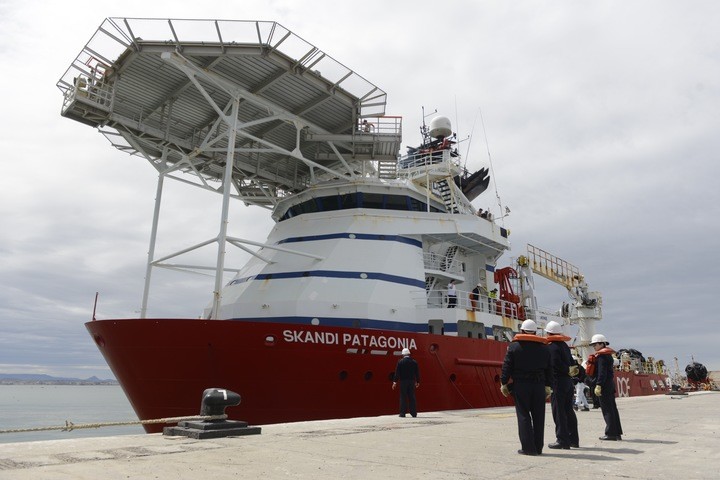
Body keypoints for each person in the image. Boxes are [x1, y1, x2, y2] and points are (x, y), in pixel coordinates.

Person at [500, 319, 553, 456]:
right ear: (535, 332)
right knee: (539, 416)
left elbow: (507, 366)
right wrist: (548, 386)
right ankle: (538, 447)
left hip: (521, 385)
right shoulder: (545, 348)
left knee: (523, 415)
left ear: (522, 331)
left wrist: (503, 383)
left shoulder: (514, 347)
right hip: (539, 385)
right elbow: (549, 369)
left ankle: (528, 448)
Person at [544, 321, 580, 449]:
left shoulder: (551, 347)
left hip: (557, 383)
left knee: (558, 412)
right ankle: (573, 439)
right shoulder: (564, 346)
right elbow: (571, 363)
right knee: (568, 410)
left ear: (548, 333)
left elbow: (553, 367)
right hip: (568, 382)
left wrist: (548, 384)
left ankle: (562, 440)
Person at [590, 334, 623, 440]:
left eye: (595, 344)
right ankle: (617, 432)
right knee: (613, 409)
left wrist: (598, 384)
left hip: (604, 386)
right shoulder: (608, 356)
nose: (594, 347)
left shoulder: (601, 357)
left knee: (607, 410)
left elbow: (601, 373)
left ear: (601, 344)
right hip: (609, 385)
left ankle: (611, 433)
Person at [392, 347, 420, 417]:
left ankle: (402, 413)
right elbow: (417, 373)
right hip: (411, 382)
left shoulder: (400, 362)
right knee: (412, 397)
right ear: (409, 354)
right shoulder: (414, 362)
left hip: (403, 382)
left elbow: (397, 373)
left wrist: (394, 382)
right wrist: (418, 381)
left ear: (403, 354)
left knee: (403, 397)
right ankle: (413, 413)